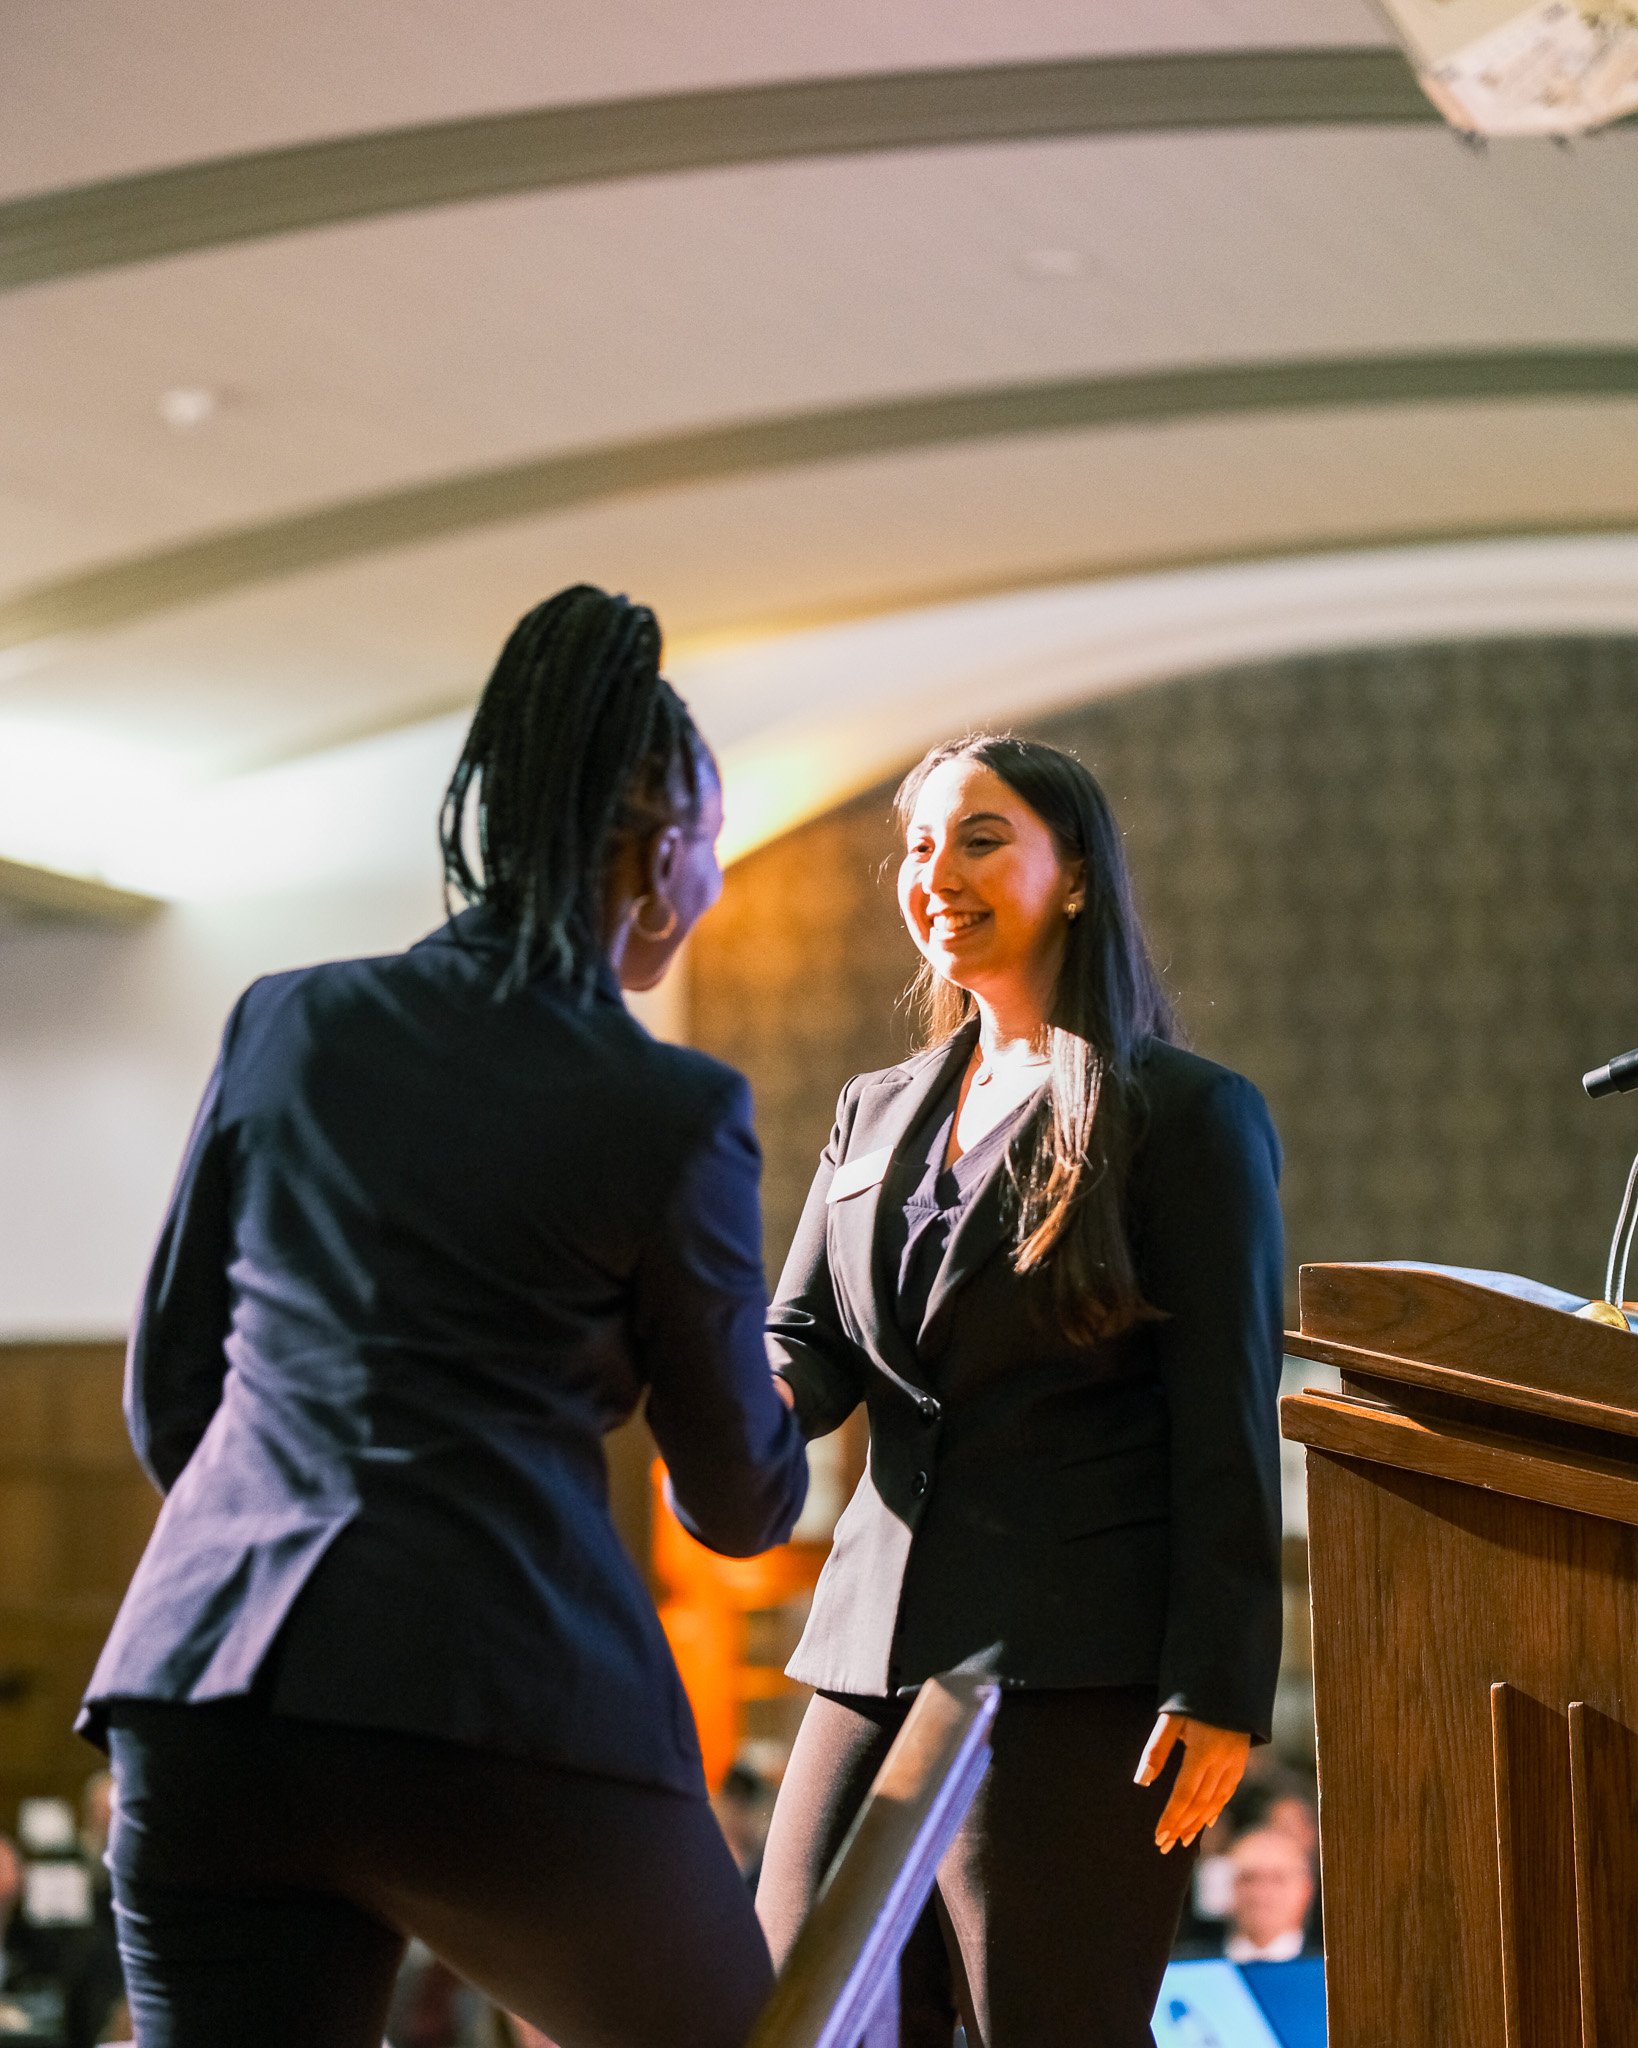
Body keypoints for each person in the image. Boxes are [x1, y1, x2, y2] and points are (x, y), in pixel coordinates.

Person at [77, 586, 809, 2048]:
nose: (711, 878)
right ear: (660, 856)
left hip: (204, 1693)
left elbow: (171, 1394)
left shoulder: (288, 1021)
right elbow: (735, 1502)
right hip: (495, 1707)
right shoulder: (668, 1108)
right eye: (714, 844)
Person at [756, 733, 1285, 2048]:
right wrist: (732, 1397)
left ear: (1075, 878)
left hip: (1074, 1672)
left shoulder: (1185, 1115)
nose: (936, 870)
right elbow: (807, 1338)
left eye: (981, 839)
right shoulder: (872, 1110)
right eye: (920, 845)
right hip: (866, 1651)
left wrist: (1219, 1685)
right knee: (795, 2014)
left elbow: (1225, 1416)